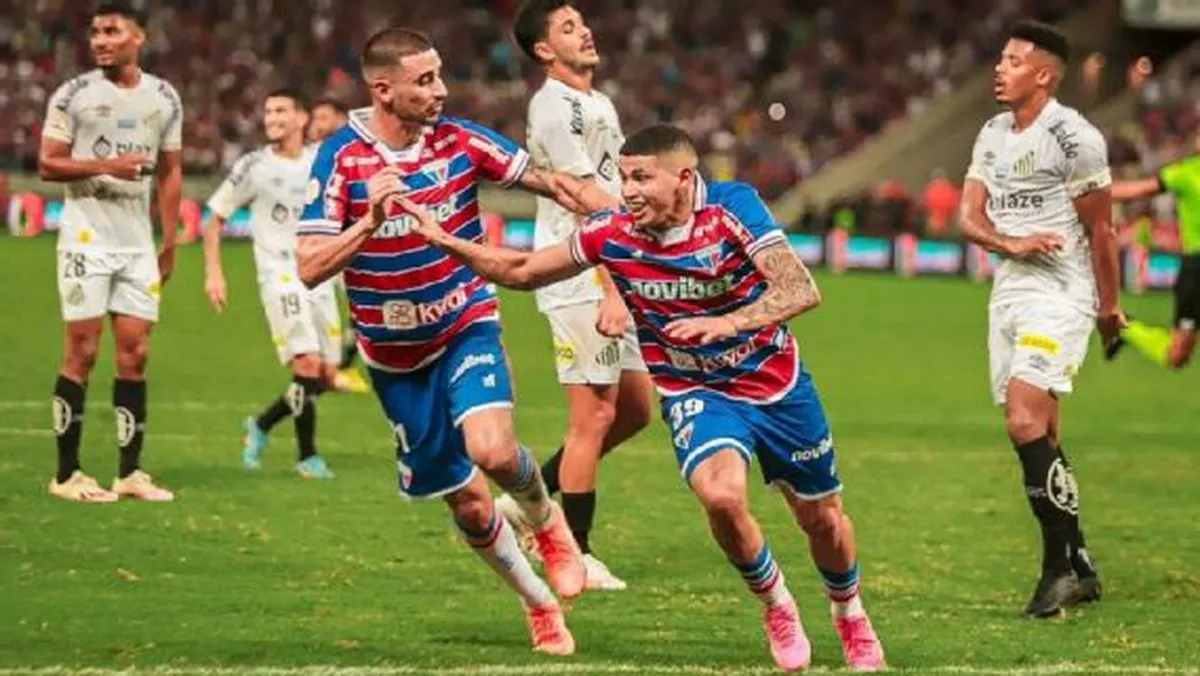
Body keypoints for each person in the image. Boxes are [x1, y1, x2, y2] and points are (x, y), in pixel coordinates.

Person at [400, 124, 887, 673]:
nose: (627, 191)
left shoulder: (731, 208)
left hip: (777, 387)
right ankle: (777, 604)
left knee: (822, 521)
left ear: (684, 178)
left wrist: (726, 322)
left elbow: (800, 288)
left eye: (641, 178)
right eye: (622, 177)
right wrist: (445, 241)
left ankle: (849, 612)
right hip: (695, 390)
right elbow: (523, 270)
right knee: (722, 497)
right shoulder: (611, 233)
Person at [295, 27, 615, 656]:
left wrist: (617, 209)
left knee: (493, 450)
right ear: (382, 89)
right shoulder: (341, 157)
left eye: (439, 76)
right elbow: (308, 267)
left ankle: (549, 524)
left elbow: (550, 182)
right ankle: (538, 604)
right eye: (424, 81)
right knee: (469, 507)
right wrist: (369, 223)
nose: (440, 91)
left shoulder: (461, 140)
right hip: (393, 359)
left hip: (464, 323)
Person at [958, 20, 1123, 617]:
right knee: (1043, 434)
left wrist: (1108, 305)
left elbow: (1102, 231)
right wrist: (1010, 244)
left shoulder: (1075, 137)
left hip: (1062, 294)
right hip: (1009, 294)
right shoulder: (992, 133)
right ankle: (1078, 562)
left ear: (1044, 75)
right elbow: (968, 219)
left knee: (1023, 421)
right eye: (1000, 58)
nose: (1000, 69)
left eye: (1012, 61)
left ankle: (1058, 568)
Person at [498, 0, 654, 591]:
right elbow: (585, 202)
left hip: (615, 267)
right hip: (579, 272)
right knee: (593, 416)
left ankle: (527, 499)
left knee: (637, 408)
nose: (584, 30)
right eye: (567, 27)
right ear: (543, 50)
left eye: (581, 22)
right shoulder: (552, 107)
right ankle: (574, 551)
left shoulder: (597, 102)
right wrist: (614, 283)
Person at [39, 2, 182, 503]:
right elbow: (47, 165)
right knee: (82, 352)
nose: (100, 40)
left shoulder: (164, 97)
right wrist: (106, 168)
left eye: (111, 31)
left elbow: (170, 171)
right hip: (86, 240)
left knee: (135, 355)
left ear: (138, 36)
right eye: (95, 32)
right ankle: (67, 474)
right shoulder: (73, 94)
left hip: (137, 245)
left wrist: (168, 241)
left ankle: (130, 473)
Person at [202, 90, 338, 479]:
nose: (272, 118)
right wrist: (214, 272)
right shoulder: (253, 166)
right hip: (279, 273)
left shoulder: (320, 160)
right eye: (268, 111)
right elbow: (214, 219)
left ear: (301, 118)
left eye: (280, 110)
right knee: (307, 364)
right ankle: (307, 457)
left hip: (320, 274)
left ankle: (261, 424)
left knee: (325, 376)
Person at [1105, 138, 1199, 370]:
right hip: (1197, 271)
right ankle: (1123, 327)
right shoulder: (1185, 173)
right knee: (1177, 357)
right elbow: (1139, 189)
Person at [305, 97, 369, 394]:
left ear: (341, 120)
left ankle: (339, 365)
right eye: (314, 119)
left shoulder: (358, 155)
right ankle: (322, 370)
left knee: (364, 311)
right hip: (318, 249)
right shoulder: (306, 158)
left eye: (323, 118)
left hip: (352, 247)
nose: (316, 125)